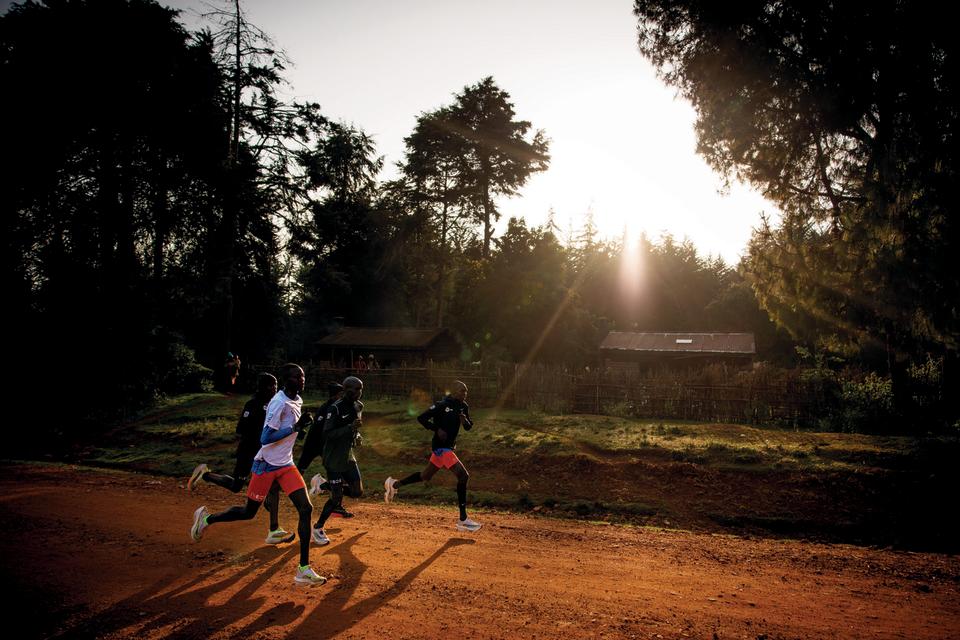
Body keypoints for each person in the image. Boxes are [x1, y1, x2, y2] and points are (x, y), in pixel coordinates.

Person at [190, 363, 326, 586]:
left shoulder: (297, 400)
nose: (302, 380)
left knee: (306, 508)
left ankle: (303, 570)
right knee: (248, 512)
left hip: (285, 464)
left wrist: (300, 428)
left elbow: (291, 434)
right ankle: (206, 520)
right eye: (297, 377)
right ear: (286, 379)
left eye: (303, 376)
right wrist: (295, 427)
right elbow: (265, 438)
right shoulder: (278, 403)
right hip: (266, 465)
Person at [187, 373, 291, 544]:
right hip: (249, 453)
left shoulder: (275, 404)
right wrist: (262, 436)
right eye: (271, 386)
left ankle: (274, 529)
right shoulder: (252, 404)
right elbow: (241, 428)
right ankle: (206, 476)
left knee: (273, 488)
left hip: (266, 456)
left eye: (276, 385)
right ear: (262, 387)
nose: (274, 389)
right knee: (237, 486)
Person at [383, 381, 481, 532]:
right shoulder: (441, 405)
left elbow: (468, 427)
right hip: (440, 447)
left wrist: (465, 421)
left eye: (466, 391)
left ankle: (394, 484)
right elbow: (422, 418)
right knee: (463, 476)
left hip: (448, 447)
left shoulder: (464, 406)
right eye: (462, 391)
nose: (465, 394)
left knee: (425, 476)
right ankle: (463, 520)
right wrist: (437, 429)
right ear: (454, 391)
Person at [310, 376, 365, 545]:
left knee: (357, 492)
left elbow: (355, 426)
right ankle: (318, 528)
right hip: (333, 457)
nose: (358, 392)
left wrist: (357, 436)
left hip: (347, 455)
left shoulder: (358, 406)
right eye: (354, 389)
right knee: (336, 498)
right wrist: (349, 429)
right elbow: (327, 434)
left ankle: (322, 485)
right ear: (345, 388)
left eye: (360, 389)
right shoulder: (335, 409)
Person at [297, 382, 354, 518]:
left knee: (337, 474)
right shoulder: (326, 408)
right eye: (341, 394)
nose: (344, 396)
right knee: (300, 470)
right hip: (313, 445)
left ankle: (335, 504)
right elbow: (319, 429)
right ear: (335, 395)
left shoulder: (338, 407)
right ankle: (292, 492)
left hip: (325, 446)